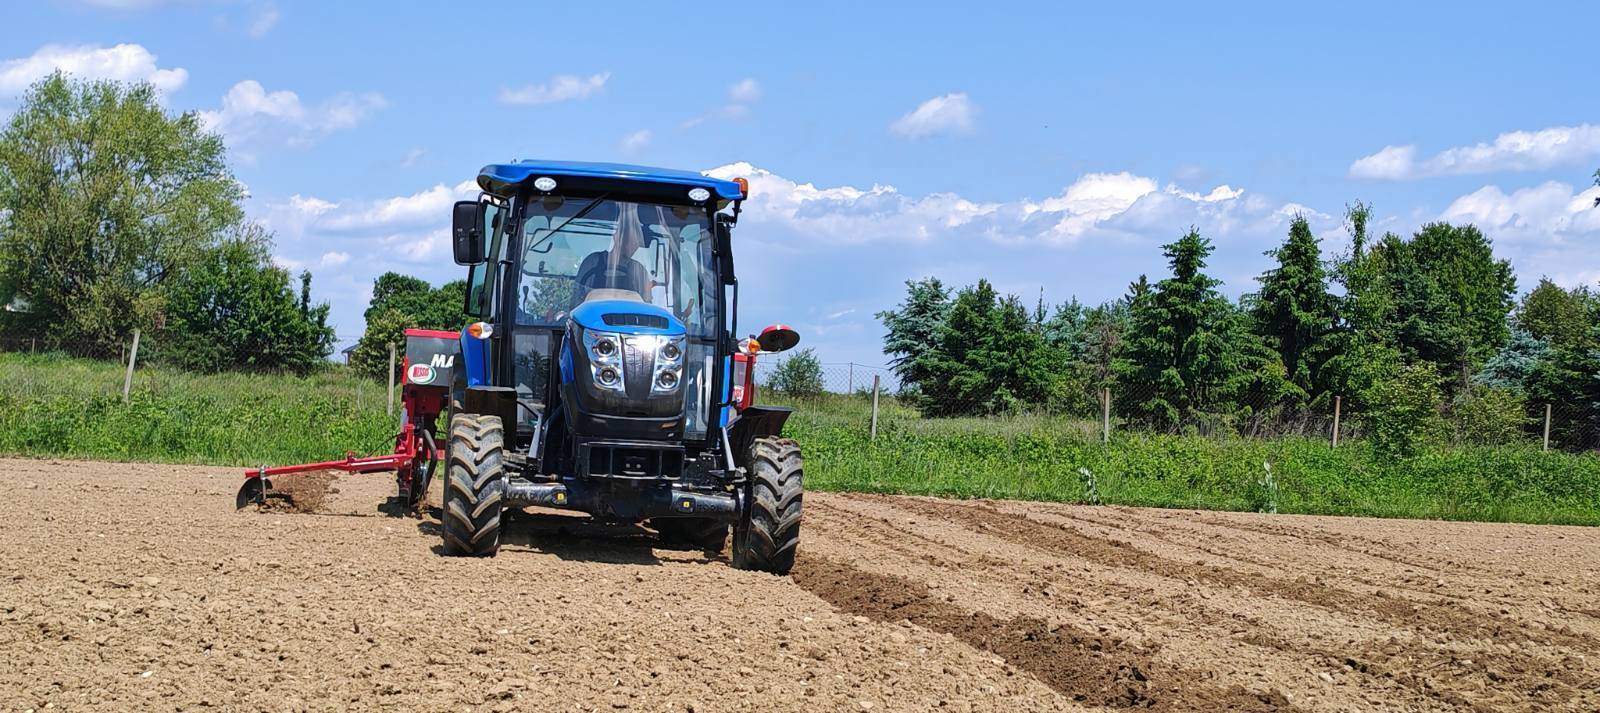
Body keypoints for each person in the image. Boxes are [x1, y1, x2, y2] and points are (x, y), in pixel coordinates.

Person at [574, 203, 653, 302]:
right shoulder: (593, 262)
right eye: (627, 239)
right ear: (616, 236)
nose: (631, 245)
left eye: (635, 242)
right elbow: (577, 299)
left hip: (629, 317)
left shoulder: (639, 271)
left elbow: (647, 304)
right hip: (593, 317)